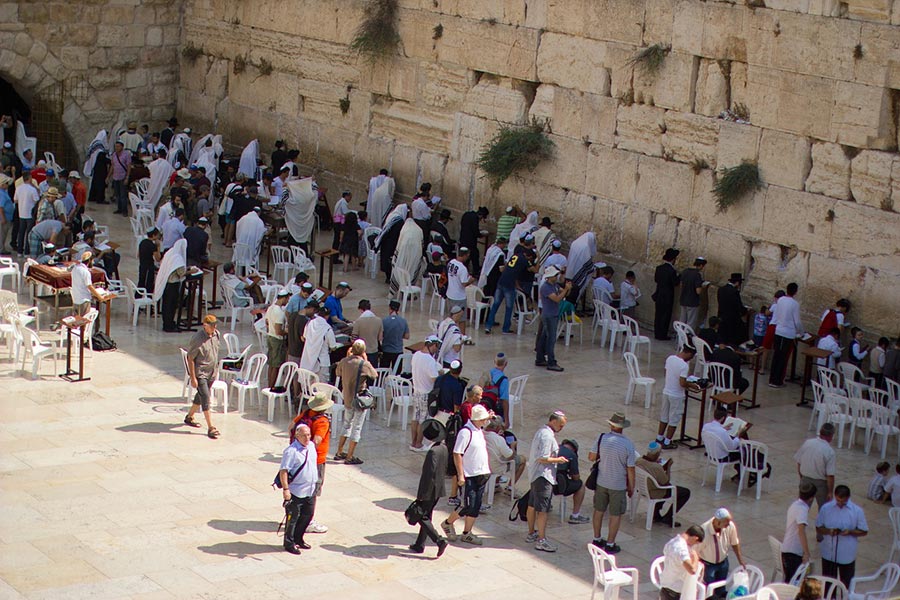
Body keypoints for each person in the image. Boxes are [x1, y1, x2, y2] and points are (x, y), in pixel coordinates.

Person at [441, 404, 492, 546]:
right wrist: (461, 475)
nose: (484, 421)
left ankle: (467, 533)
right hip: (469, 475)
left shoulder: (478, 429)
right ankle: (448, 523)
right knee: (467, 505)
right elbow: (457, 453)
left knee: (475, 506)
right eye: (482, 419)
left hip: (482, 473)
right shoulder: (466, 432)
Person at [590, 412, 635, 554]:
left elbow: (591, 457)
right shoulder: (628, 444)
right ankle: (610, 543)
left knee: (598, 510)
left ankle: (596, 539)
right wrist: (631, 487)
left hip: (601, 481)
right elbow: (630, 469)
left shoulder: (601, 438)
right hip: (618, 484)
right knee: (615, 514)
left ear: (611, 425)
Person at [526, 410, 569, 552]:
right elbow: (543, 457)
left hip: (535, 475)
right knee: (543, 510)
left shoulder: (542, 432)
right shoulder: (546, 436)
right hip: (543, 476)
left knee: (532, 505)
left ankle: (532, 533)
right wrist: (559, 460)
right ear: (554, 422)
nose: (561, 429)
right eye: (561, 425)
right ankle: (541, 540)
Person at [408, 419, 450, 557]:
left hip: (429, 489)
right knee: (427, 515)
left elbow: (428, 474)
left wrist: (421, 494)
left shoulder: (433, 452)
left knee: (420, 515)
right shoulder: (443, 448)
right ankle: (420, 544)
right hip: (438, 489)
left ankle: (439, 540)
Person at [333, 340, 378, 466]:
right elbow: (375, 375)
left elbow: (337, 373)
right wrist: (366, 360)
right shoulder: (364, 364)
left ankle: (339, 451)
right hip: (359, 400)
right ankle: (350, 456)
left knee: (346, 424)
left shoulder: (344, 361)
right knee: (356, 427)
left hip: (347, 397)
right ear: (363, 351)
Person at [815, 485, 868, 588]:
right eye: (838, 500)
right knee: (828, 585)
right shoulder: (826, 508)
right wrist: (829, 531)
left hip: (846, 555)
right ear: (835, 496)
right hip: (828, 554)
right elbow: (818, 527)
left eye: (843, 502)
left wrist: (850, 532)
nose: (840, 504)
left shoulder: (857, 511)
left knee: (846, 585)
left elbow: (864, 531)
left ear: (848, 498)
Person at [484, 234, 538, 335]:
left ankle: (488, 326)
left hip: (501, 281)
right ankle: (505, 329)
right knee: (509, 307)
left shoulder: (515, 256)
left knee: (495, 304)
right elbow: (535, 269)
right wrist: (538, 258)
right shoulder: (524, 260)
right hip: (509, 285)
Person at [278, 423, 318, 555]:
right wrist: (286, 490)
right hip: (296, 491)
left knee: (307, 515)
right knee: (292, 519)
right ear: (297, 436)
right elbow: (283, 471)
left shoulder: (311, 446)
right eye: (304, 436)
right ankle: (289, 542)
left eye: (308, 435)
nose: (307, 438)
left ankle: (299, 538)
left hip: (310, 490)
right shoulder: (291, 452)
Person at [182, 314, 221, 439]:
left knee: (200, 395)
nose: (214, 328)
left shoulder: (216, 334)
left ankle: (189, 416)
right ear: (205, 326)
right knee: (205, 396)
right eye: (212, 326)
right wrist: (193, 377)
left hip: (211, 372)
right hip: (201, 373)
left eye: (215, 325)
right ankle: (210, 427)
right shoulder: (198, 338)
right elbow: (190, 358)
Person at [636, 442, 691, 526]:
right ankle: (668, 517)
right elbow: (666, 482)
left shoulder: (639, 461)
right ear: (657, 453)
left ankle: (656, 514)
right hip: (655, 491)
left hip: (642, 488)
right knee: (684, 492)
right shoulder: (656, 467)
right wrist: (668, 467)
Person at [657, 346, 700, 449]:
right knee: (674, 419)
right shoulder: (684, 366)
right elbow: (682, 383)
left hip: (666, 391)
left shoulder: (670, 358)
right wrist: (693, 385)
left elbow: (666, 373)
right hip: (677, 395)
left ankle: (659, 438)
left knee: (664, 416)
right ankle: (667, 442)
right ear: (689, 354)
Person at [697, 508, 747, 590]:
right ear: (718, 522)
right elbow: (695, 551)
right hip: (708, 566)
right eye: (726, 523)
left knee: (721, 587)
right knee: (709, 590)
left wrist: (740, 560)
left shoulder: (730, 526)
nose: (728, 525)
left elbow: (734, 543)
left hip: (723, 563)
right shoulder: (704, 531)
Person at [536, 266, 571, 372]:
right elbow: (557, 299)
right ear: (550, 276)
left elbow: (564, 294)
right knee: (551, 339)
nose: (557, 276)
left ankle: (540, 358)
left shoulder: (554, 285)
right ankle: (551, 362)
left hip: (552, 314)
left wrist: (567, 289)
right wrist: (565, 289)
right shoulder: (545, 287)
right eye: (555, 275)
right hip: (549, 315)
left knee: (544, 337)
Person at [794, 423, 836, 509]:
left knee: (802, 508)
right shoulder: (829, 451)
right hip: (821, 484)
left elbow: (799, 462)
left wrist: (802, 478)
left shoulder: (808, 443)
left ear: (820, 432)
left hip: (805, 479)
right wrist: (830, 492)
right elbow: (830, 475)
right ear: (831, 436)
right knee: (824, 510)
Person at [410, 335, 441, 451]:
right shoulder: (430, 360)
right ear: (433, 345)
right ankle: (418, 444)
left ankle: (413, 442)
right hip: (426, 393)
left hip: (416, 391)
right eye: (436, 347)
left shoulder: (416, 355)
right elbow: (434, 379)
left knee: (415, 418)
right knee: (423, 420)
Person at [769, 282, 803, 387]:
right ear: (796, 292)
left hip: (778, 330)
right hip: (787, 333)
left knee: (776, 355)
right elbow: (797, 321)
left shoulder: (780, 300)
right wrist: (801, 332)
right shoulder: (795, 304)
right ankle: (777, 381)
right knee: (782, 357)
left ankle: (772, 379)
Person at [782, 482, 817, 581]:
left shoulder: (795, 505)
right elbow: (801, 531)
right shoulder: (802, 510)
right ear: (811, 498)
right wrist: (806, 553)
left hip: (787, 548)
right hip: (792, 552)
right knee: (793, 581)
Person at [659, 526, 705, 600]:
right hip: (675, 591)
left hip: (666, 586)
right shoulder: (682, 550)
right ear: (695, 538)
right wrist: (696, 557)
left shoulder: (672, 541)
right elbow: (692, 570)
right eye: (696, 543)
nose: (693, 545)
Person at [553, 438, 590, 524]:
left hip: (546, 483)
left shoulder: (554, 448)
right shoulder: (571, 455)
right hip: (560, 486)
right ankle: (575, 515)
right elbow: (576, 477)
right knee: (580, 485)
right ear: (574, 449)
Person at [300, 301, 338, 382]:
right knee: (322, 389)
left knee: (309, 387)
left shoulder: (309, 323)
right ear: (327, 316)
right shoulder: (327, 328)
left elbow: (304, 338)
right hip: (322, 362)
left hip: (309, 360)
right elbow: (333, 347)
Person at [653, 248, 681, 340]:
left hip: (659, 294)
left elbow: (656, 280)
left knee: (658, 315)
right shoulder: (671, 271)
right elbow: (675, 283)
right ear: (673, 259)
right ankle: (662, 335)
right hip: (667, 296)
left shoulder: (659, 268)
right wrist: (680, 276)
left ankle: (657, 333)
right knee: (665, 316)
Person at [70, 251, 109, 316]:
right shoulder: (85, 272)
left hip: (76, 298)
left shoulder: (75, 268)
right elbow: (89, 286)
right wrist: (100, 297)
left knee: (77, 321)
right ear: (90, 260)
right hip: (84, 300)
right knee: (84, 321)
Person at [266, 289, 290, 387]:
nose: (287, 301)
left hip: (270, 337)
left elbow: (267, 323)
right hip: (277, 340)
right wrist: (287, 332)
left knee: (271, 364)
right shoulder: (279, 312)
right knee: (276, 366)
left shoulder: (270, 308)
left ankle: (269, 385)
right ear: (283, 298)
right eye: (287, 299)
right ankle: (272, 387)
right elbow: (278, 331)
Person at [446, 248, 474, 330]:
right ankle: (462, 337)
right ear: (466, 255)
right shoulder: (463, 268)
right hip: (459, 297)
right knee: (461, 319)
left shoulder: (451, 262)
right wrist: (471, 281)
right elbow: (464, 284)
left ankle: (449, 334)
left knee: (451, 316)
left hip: (450, 294)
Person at [717, 273, 748, 346]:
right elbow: (738, 306)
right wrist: (745, 310)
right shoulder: (734, 292)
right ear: (737, 283)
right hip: (732, 320)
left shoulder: (721, 289)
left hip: (722, 317)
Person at [13, 170, 39, 255]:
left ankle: (19, 251)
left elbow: (15, 200)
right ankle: (27, 252)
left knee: (21, 233)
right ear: (29, 178)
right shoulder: (32, 189)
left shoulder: (18, 188)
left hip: (21, 213)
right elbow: (36, 200)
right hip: (30, 214)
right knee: (29, 234)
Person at [380, 299, 409, 369]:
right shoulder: (403, 321)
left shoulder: (384, 321)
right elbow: (407, 336)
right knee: (396, 374)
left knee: (384, 372)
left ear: (390, 308)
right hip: (398, 351)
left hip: (386, 351)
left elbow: (380, 337)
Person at [679, 257, 707, 331]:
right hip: (692, 302)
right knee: (690, 323)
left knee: (682, 321)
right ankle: (687, 339)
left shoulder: (685, 271)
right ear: (701, 265)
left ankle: (680, 338)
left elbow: (681, 285)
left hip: (683, 300)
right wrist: (703, 287)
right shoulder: (697, 275)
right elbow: (698, 291)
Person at [458, 206, 488, 274]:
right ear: (481, 215)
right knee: (475, 255)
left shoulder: (466, 214)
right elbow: (475, 232)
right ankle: (476, 272)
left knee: (464, 257)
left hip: (462, 239)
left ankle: (464, 271)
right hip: (470, 242)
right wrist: (482, 235)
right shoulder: (475, 218)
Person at [485, 353, 511, 427]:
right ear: (506, 364)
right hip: (496, 409)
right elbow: (504, 401)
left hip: (486, 406)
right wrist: (506, 420)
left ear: (494, 362)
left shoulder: (488, 374)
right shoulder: (503, 380)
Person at [108, 140, 132, 215]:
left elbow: (128, 166)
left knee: (123, 195)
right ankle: (119, 208)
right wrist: (108, 176)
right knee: (117, 194)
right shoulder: (114, 155)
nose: (116, 148)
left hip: (123, 177)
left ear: (122, 146)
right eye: (116, 146)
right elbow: (112, 166)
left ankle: (125, 211)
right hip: (115, 177)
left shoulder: (126, 154)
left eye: (118, 146)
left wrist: (127, 177)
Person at [137, 227, 162, 292]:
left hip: (142, 265)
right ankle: (148, 299)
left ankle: (137, 298)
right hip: (149, 268)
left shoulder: (142, 242)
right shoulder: (152, 246)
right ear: (153, 235)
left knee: (141, 283)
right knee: (148, 285)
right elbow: (158, 259)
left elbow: (138, 255)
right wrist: (158, 247)